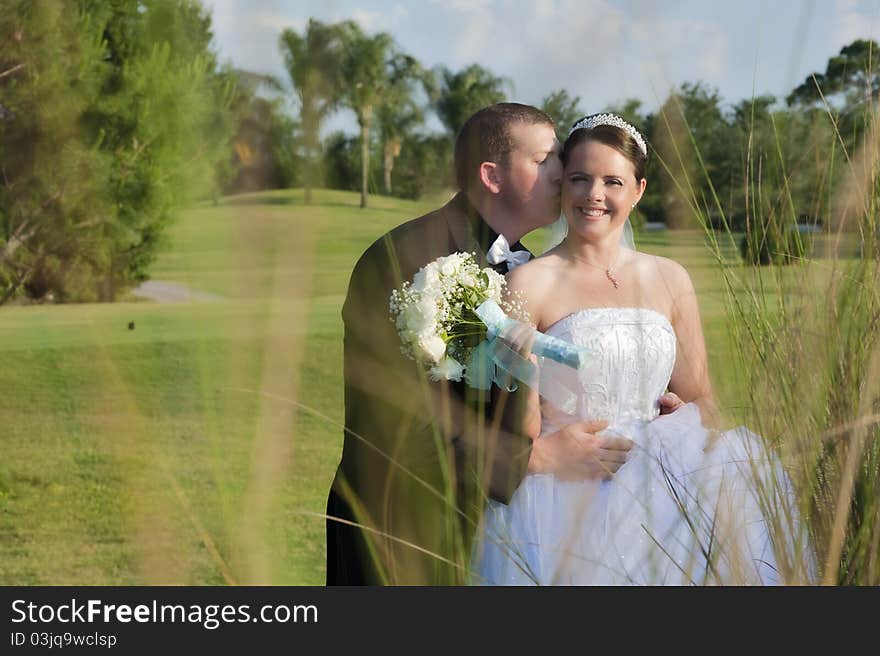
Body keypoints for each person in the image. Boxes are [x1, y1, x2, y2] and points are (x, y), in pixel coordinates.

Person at [325, 104, 683, 585]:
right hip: (406, 531)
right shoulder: (406, 263)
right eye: (545, 160)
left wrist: (643, 404)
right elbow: (393, 425)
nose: (563, 172)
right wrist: (539, 459)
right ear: (492, 176)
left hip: (503, 526)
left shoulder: (525, 270)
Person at [471, 113, 813, 585]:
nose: (594, 193)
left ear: (638, 190)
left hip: (669, 486)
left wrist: (682, 418)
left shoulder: (670, 278)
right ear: (562, 186)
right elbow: (519, 425)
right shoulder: (528, 282)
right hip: (567, 494)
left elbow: (703, 399)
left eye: (613, 181)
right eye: (580, 178)